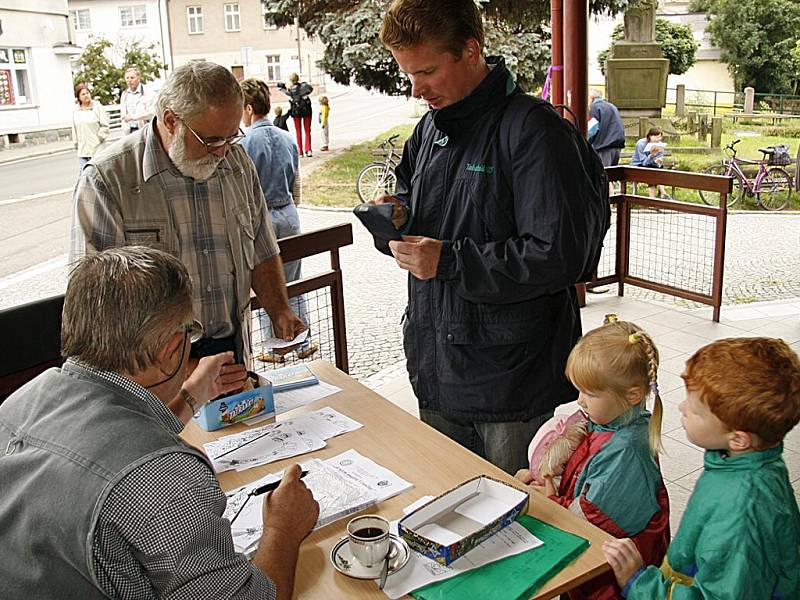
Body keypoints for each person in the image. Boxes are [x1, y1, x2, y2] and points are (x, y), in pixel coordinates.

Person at [0, 246, 320, 599]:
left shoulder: (20, 403)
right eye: (190, 333)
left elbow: (109, 443)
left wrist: (192, 395)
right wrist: (282, 528)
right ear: (169, 351)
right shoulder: (164, 477)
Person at [374, 0, 609, 474]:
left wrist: (449, 261)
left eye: (427, 72)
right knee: (450, 510)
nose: (416, 89)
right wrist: (397, 216)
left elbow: (562, 255)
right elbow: (413, 202)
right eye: (408, 74)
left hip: (512, 383)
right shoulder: (429, 131)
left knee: (519, 526)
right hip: (437, 367)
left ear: (471, 50)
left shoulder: (533, 130)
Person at [70, 60, 307, 369]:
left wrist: (279, 311)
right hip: (151, 368)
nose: (223, 151)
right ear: (171, 121)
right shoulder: (107, 180)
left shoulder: (236, 163)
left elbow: (261, 247)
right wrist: (179, 373)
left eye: (231, 136)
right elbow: (96, 306)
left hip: (229, 351)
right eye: (211, 140)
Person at [603, 337, 800, 599]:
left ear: (738, 438)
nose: (682, 407)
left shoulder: (741, 515)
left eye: (695, 410)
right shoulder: (748, 462)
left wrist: (639, 583)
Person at [516, 315, 670, 600]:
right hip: (599, 570)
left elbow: (591, 517)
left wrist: (547, 499)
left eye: (589, 393)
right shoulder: (611, 420)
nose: (580, 401)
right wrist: (546, 475)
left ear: (633, 394)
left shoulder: (626, 452)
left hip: (609, 581)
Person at [240, 78, 318, 363]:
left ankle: (276, 347)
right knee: (293, 280)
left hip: (263, 219)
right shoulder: (287, 137)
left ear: (248, 108)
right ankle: (301, 339)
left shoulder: (244, 143)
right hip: (288, 213)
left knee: (265, 283)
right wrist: (291, 207)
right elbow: (296, 182)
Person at [72, 83, 109, 171]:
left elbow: (105, 125)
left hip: (96, 148)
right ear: (78, 97)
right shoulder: (76, 110)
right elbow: (74, 128)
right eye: (83, 94)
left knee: (97, 174)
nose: (86, 96)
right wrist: (76, 143)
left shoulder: (97, 107)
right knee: (84, 175)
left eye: (87, 93)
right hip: (82, 150)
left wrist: (100, 137)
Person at [588, 88, 626, 168]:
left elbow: (592, 129)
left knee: (602, 175)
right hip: (616, 145)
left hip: (604, 146)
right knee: (612, 174)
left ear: (591, 97)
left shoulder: (595, 107)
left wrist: (586, 142)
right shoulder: (612, 106)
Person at [278, 73, 313, 157]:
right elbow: (310, 90)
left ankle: (300, 152)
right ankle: (308, 150)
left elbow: (283, 91)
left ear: (291, 80)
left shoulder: (290, 91)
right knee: (307, 130)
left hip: (296, 112)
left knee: (298, 132)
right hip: (306, 111)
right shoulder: (304, 87)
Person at [631, 126, 669, 199]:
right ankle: (660, 195)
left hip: (652, 166)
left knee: (658, 169)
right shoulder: (641, 144)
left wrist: (658, 161)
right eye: (656, 137)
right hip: (638, 166)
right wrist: (652, 155)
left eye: (660, 137)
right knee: (652, 172)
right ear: (650, 136)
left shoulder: (659, 144)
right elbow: (644, 162)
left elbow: (660, 157)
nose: (658, 139)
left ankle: (660, 195)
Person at [119, 67, 155, 135]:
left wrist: (133, 117)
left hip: (145, 130)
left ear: (138, 78)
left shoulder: (148, 92)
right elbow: (123, 114)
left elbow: (151, 112)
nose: (129, 80)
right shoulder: (124, 94)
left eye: (132, 78)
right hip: (130, 131)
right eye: (127, 78)